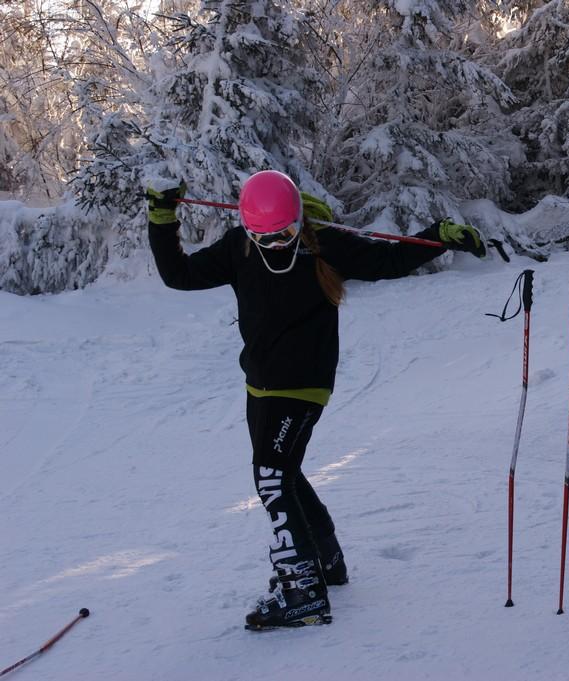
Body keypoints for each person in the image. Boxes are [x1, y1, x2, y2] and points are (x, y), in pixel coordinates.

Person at [145, 170, 487, 630]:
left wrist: (438, 238)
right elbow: (179, 275)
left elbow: (387, 260)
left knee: (270, 477)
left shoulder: (324, 243)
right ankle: (325, 563)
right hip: (260, 384)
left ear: (298, 219)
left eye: (284, 233)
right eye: (263, 236)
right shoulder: (239, 247)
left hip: (303, 383)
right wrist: (162, 217)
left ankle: (302, 591)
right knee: (283, 473)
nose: (275, 244)